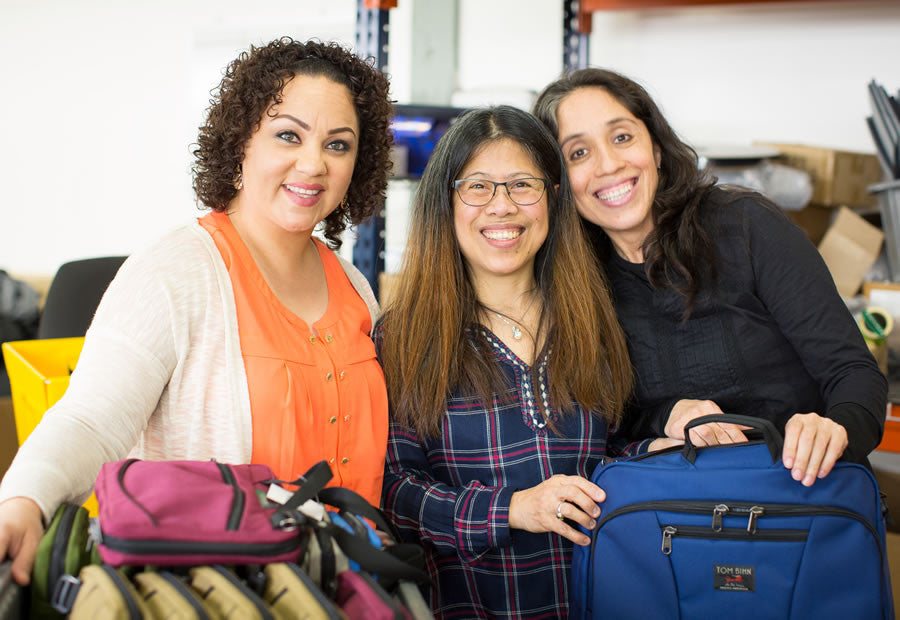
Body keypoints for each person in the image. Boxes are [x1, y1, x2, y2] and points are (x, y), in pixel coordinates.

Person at [0, 37, 394, 585]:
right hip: (217, 588)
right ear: (241, 146)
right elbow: (90, 419)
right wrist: (24, 500)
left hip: (349, 585)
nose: (313, 164)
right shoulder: (176, 270)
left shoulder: (354, 287)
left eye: (338, 145)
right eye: (288, 135)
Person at [377, 105, 674, 618]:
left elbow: (611, 448)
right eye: (478, 186)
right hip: (473, 606)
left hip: (598, 598)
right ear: (444, 203)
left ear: (552, 198)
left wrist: (659, 453)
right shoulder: (403, 337)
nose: (502, 206)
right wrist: (512, 509)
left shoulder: (592, 321)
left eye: (522, 185)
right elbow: (396, 489)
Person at [533, 68, 887, 488]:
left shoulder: (746, 226)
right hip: (685, 517)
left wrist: (836, 429)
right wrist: (669, 417)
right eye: (578, 153)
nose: (608, 164)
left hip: (802, 496)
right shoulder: (579, 284)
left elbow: (852, 371)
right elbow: (612, 424)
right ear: (557, 185)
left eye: (622, 137)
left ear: (656, 147)